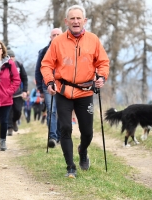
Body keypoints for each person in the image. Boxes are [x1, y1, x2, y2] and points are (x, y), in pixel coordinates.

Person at [41, 5, 110, 178]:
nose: (76, 21)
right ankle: (70, 167)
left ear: (84, 21)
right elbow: (46, 64)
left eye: (79, 18)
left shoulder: (93, 40)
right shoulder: (57, 42)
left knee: (87, 132)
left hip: (85, 91)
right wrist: (49, 81)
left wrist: (101, 77)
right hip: (63, 91)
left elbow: (103, 62)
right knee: (65, 128)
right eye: (72, 18)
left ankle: (83, 150)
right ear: (66, 21)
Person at [35, 28, 62, 148]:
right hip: (47, 86)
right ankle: (52, 137)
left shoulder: (68, 50)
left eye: (58, 34)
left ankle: (60, 136)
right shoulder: (44, 51)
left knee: (62, 111)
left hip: (63, 86)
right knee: (51, 110)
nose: (56, 36)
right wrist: (40, 89)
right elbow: (38, 71)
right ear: (50, 37)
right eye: (53, 35)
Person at [6, 49, 28, 136]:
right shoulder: (3, 66)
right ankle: (10, 128)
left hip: (18, 93)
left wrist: (25, 91)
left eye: (12, 57)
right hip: (7, 94)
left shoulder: (19, 65)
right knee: (9, 111)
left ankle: (15, 120)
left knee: (18, 111)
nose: (11, 58)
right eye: (9, 57)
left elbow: (24, 78)